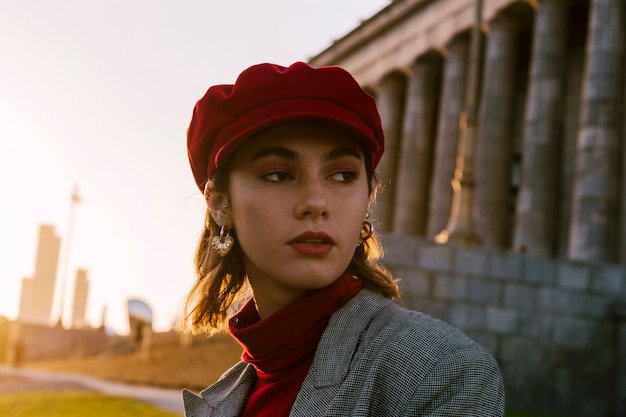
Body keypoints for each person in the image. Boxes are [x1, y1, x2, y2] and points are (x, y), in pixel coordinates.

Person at [178, 61, 505, 416]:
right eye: (277, 175)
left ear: (367, 197)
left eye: (343, 175)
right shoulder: (222, 400)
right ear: (219, 203)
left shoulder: (442, 371)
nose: (316, 203)